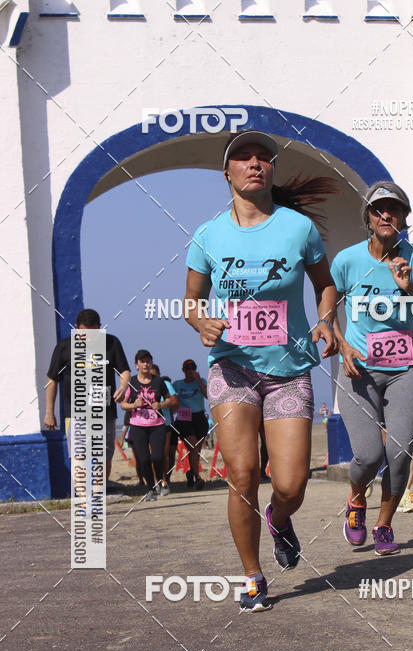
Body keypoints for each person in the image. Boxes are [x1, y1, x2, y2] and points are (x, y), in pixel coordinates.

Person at [184, 129, 338, 611]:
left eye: (263, 158)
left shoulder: (297, 228)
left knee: (291, 484)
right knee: (242, 472)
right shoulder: (208, 235)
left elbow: (325, 285)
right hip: (232, 368)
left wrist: (327, 321)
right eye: (243, 158)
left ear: (271, 170)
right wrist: (200, 322)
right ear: (226, 172)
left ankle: (280, 517)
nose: (255, 163)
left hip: (289, 369)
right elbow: (191, 301)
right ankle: (252, 575)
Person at [332, 182, 413, 555]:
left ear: (404, 217)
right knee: (368, 456)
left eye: (394, 209)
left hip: (403, 370)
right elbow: (326, 305)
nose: (386, 215)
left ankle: (384, 525)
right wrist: (342, 343)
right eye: (378, 210)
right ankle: (356, 500)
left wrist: (409, 290)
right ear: (368, 218)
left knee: (400, 453)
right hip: (359, 371)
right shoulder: (347, 260)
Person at [44, 307, 130, 490]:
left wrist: (123, 387)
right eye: (84, 334)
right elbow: (52, 381)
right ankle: (83, 497)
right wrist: (49, 412)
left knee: (102, 455)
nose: (89, 339)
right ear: (76, 328)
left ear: (100, 327)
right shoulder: (64, 347)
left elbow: (124, 371)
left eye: (93, 334)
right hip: (76, 413)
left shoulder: (112, 343)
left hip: (104, 412)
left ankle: (98, 491)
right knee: (79, 455)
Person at [120, 350, 176, 501]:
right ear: (136, 364)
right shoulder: (131, 382)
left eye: (148, 361)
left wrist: (162, 404)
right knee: (144, 459)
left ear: (151, 363)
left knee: (158, 457)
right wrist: (133, 404)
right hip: (137, 425)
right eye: (142, 361)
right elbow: (123, 405)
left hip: (157, 425)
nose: (145, 364)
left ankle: (161, 481)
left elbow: (171, 400)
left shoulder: (159, 382)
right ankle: (150, 488)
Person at [172, 359, 208, 490]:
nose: (190, 371)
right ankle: (198, 477)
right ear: (183, 370)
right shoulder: (177, 384)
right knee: (192, 448)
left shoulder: (201, 381)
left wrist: (198, 381)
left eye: (193, 368)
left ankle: (190, 473)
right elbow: (170, 396)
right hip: (184, 415)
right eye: (188, 368)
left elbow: (208, 396)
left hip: (199, 416)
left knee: (196, 451)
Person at [150, 363, 179, 495]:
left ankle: (164, 480)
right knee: (153, 456)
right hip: (148, 424)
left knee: (165, 455)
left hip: (165, 423)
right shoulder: (142, 386)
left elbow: (175, 402)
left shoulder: (165, 384)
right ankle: (155, 481)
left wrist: (162, 405)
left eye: (155, 375)